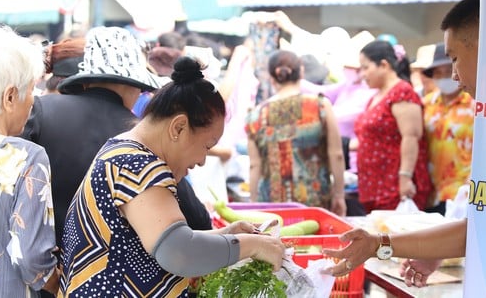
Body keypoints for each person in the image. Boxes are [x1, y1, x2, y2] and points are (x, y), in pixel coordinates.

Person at [59, 56, 286, 297]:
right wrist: (252, 246)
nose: (201, 160)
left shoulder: (123, 152)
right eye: (207, 146)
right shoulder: (136, 165)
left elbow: (163, 238)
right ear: (178, 127)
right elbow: (177, 251)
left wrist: (227, 235)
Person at [323, 0, 480, 288]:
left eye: (455, 59)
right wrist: (427, 252)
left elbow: (410, 138)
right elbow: (478, 229)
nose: (454, 75)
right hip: (450, 199)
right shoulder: (441, 102)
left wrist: (404, 176)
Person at [21, 27, 213, 253]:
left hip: (43, 271)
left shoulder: (41, 111)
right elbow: (197, 220)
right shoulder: (143, 135)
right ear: (133, 85)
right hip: (114, 281)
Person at [0, 26, 59, 297]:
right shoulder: (24, 157)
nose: (33, 101)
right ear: (9, 97)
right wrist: (54, 281)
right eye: (31, 91)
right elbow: (30, 256)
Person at [245, 50, 347, 216]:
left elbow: (254, 165)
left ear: (272, 78)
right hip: (314, 202)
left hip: (272, 205)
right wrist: (339, 195)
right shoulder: (320, 106)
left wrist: (254, 204)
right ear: (301, 72)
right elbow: (336, 154)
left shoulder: (255, 116)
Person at [354, 40, 432, 212]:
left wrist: (405, 177)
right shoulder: (376, 97)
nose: (362, 74)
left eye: (366, 68)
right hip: (374, 188)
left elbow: (411, 136)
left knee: (393, 237)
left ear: (384, 65)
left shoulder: (402, 92)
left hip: (394, 187)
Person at [422, 42, 475, 215]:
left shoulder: (474, 105)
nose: (445, 77)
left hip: (461, 190)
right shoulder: (426, 104)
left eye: (448, 71)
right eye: (439, 73)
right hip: (430, 192)